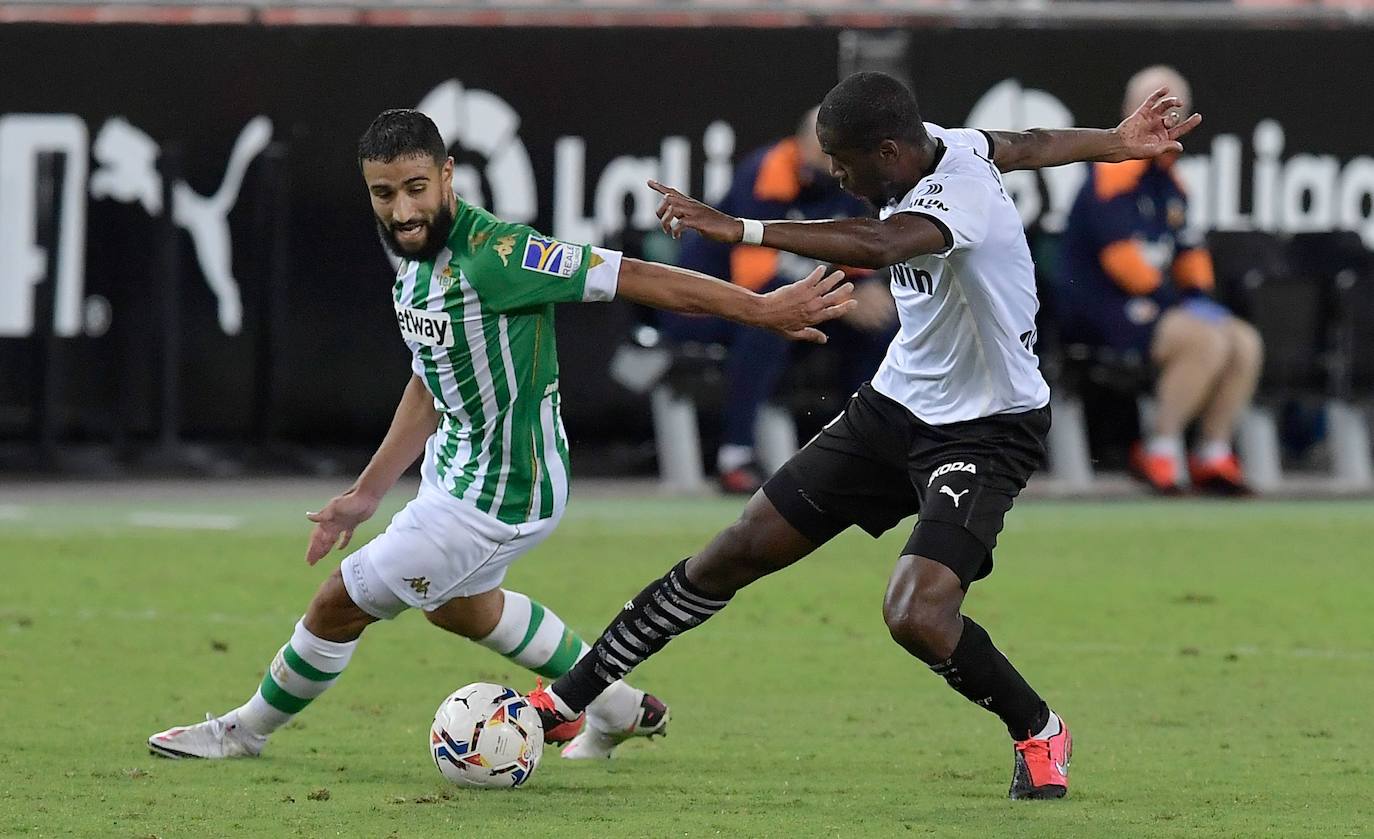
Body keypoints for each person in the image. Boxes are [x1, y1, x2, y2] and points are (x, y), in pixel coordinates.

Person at [527, 72, 1200, 799]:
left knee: (916, 613)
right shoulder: (938, 142)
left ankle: (1038, 729)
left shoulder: (956, 194)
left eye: (843, 163)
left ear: (888, 150)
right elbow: (1025, 143)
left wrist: (743, 228)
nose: (835, 176)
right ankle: (568, 700)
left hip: (986, 429)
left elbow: (881, 245)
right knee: (736, 549)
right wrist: (1115, 142)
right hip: (895, 405)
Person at [147, 109, 855, 762]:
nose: (402, 209)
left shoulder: (498, 255)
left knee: (341, 599)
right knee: (462, 608)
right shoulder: (413, 253)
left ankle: (243, 732)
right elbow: (432, 380)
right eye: (384, 193)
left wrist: (759, 309)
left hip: (507, 490)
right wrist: (367, 493)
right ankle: (612, 704)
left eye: (417, 187)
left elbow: (633, 275)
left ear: (448, 174)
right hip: (455, 474)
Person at [663, 107, 896, 493]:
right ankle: (735, 456)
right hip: (710, 304)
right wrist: (840, 289)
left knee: (879, 324)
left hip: (799, 296)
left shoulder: (853, 183)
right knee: (766, 323)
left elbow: (861, 256)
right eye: (828, 150)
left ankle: (866, 450)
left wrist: (863, 289)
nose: (837, 162)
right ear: (805, 144)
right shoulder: (770, 171)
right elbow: (754, 281)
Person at [1059, 66, 1262, 495]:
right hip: (1101, 311)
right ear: (1129, 110)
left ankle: (1213, 451)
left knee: (1242, 340)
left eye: (1175, 106)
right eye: (1155, 102)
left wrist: (1199, 296)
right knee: (1204, 339)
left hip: (1156, 308)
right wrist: (1179, 305)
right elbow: (1124, 264)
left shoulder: (1170, 184)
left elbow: (1190, 254)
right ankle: (1162, 446)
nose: (1165, 114)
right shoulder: (1111, 176)